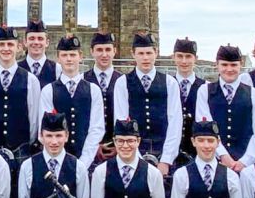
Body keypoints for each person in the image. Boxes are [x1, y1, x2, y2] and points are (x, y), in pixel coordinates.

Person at [0, 24, 41, 173]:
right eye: (1, 44)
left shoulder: (31, 80)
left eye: (10, 44)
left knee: (20, 193)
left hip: (21, 148)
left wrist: (26, 143)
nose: (6, 48)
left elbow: (34, 117)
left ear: (18, 47)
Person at [112, 32, 181, 175]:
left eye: (149, 53)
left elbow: (175, 122)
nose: (145, 58)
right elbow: (122, 121)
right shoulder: (122, 83)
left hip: (163, 153)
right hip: (132, 155)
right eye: (141, 53)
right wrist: (135, 158)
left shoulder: (170, 82)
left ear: (156, 53)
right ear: (133, 54)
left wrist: (166, 160)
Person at [194, 44, 255, 173]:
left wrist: (245, 161)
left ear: (241, 65)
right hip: (214, 162)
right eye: (224, 65)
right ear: (217, 65)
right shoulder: (204, 91)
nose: (229, 69)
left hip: (246, 167)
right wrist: (223, 156)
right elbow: (206, 128)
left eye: (233, 65)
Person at [38, 35, 103, 169]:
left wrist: (83, 162)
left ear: (80, 56)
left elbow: (97, 128)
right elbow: (44, 130)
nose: (68, 59)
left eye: (73, 55)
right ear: (58, 58)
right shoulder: (48, 91)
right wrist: (60, 161)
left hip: (87, 161)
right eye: (64, 55)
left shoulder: (93, 90)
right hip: (56, 163)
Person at [19, 110, 90, 198]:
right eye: (49, 136)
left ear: (66, 136)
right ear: (41, 136)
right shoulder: (27, 166)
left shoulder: (79, 167)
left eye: (58, 135)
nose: (54, 142)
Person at [83, 30, 121, 161]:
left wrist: (119, 145)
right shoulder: (82, 80)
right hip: (88, 150)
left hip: (119, 150)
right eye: (99, 50)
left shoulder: (124, 81)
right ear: (92, 51)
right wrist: (94, 146)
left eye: (108, 49)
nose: (104, 54)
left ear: (114, 51)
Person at [172, 37, 205, 161]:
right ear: (173, 57)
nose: (184, 61)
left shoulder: (205, 87)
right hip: (171, 151)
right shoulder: (167, 85)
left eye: (188, 56)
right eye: (180, 56)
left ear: (195, 58)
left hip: (196, 152)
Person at [19, 18, 58, 85]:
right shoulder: (15, 69)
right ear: (25, 42)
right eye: (32, 38)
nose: (36, 42)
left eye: (40, 39)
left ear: (47, 42)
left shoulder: (58, 70)